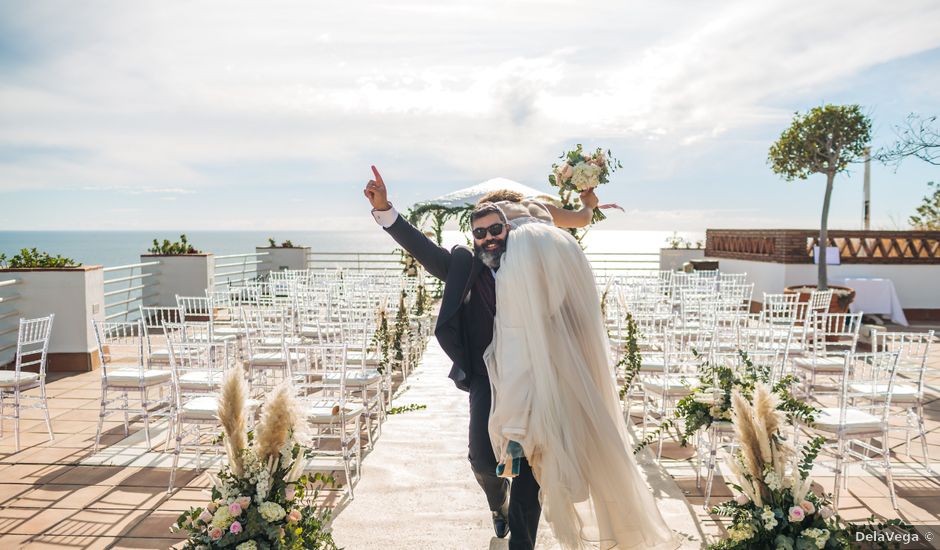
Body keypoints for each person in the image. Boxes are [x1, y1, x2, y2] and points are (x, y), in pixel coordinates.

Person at [363, 166, 595, 550]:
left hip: (535, 376)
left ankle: (522, 542)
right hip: (488, 375)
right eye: (480, 232)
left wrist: (588, 205)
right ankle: (497, 504)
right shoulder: (465, 264)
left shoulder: (538, 269)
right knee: (484, 461)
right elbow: (424, 250)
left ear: (512, 229)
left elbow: (574, 230)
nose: (488, 238)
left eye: (497, 229)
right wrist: (385, 209)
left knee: (526, 467)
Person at [483, 200, 680, 550]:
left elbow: (515, 339)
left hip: (531, 341)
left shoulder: (512, 241)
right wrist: (588, 199)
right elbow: (583, 218)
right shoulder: (545, 215)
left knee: (530, 447)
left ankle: (522, 537)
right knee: (546, 445)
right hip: (563, 285)